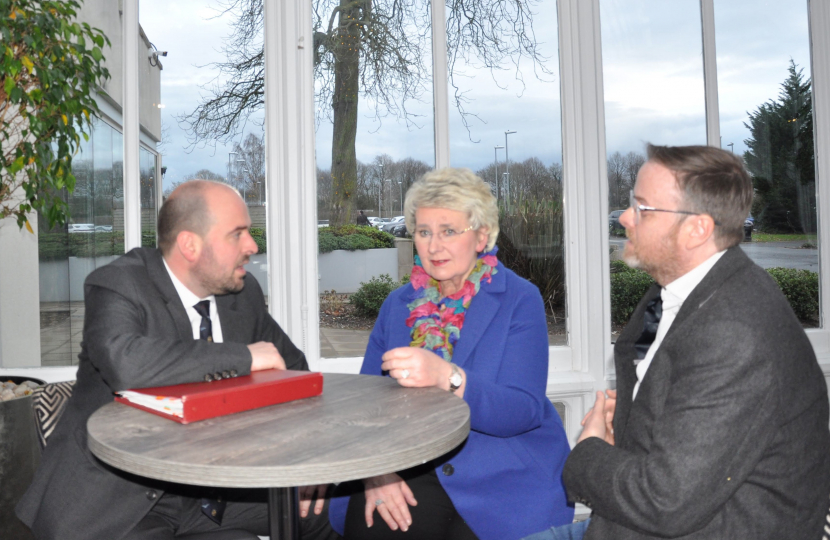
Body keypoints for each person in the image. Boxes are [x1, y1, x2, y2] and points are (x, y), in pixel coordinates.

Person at [527, 144, 830, 540]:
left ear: (697, 228)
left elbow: (664, 502)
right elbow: (660, 380)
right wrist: (632, 417)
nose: (624, 217)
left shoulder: (735, 328)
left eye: (642, 208)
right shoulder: (671, 290)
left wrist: (588, 451)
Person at [16, 181, 339, 540]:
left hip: (211, 490)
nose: (252, 246)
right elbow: (127, 364)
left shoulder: (242, 293)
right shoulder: (118, 284)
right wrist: (242, 357)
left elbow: (297, 373)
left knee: (323, 513)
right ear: (190, 245)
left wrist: (310, 460)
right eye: (238, 234)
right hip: (118, 502)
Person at [328, 168, 574, 540]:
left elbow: (521, 411)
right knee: (373, 525)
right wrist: (377, 473)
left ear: (481, 236)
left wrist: (447, 377)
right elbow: (364, 407)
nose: (433, 245)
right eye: (424, 232)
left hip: (501, 473)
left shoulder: (519, 299)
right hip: (408, 469)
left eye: (448, 231)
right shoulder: (398, 305)